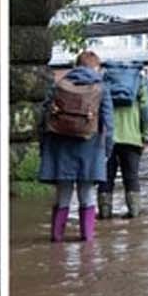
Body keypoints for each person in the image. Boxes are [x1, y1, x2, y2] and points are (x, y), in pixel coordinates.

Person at [38, 50, 113, 242]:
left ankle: (56, 238)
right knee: (86, 194)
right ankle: (87, 240)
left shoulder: (58, 85)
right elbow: (108, 123)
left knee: (62, 195)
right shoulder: (101, 87)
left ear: (76, 65)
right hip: (90, 148)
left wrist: (43, 148)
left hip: (60, 147)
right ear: (96, 67)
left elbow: (44, 118)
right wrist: (107, 149)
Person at [98, 61, 148, 220]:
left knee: (105, 178)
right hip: (132, 137)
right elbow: (147, 110)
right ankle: (135, 216)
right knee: (131, 177)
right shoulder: (142, 81)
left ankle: (104, 215)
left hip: (105, 138)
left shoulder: (104, 79)